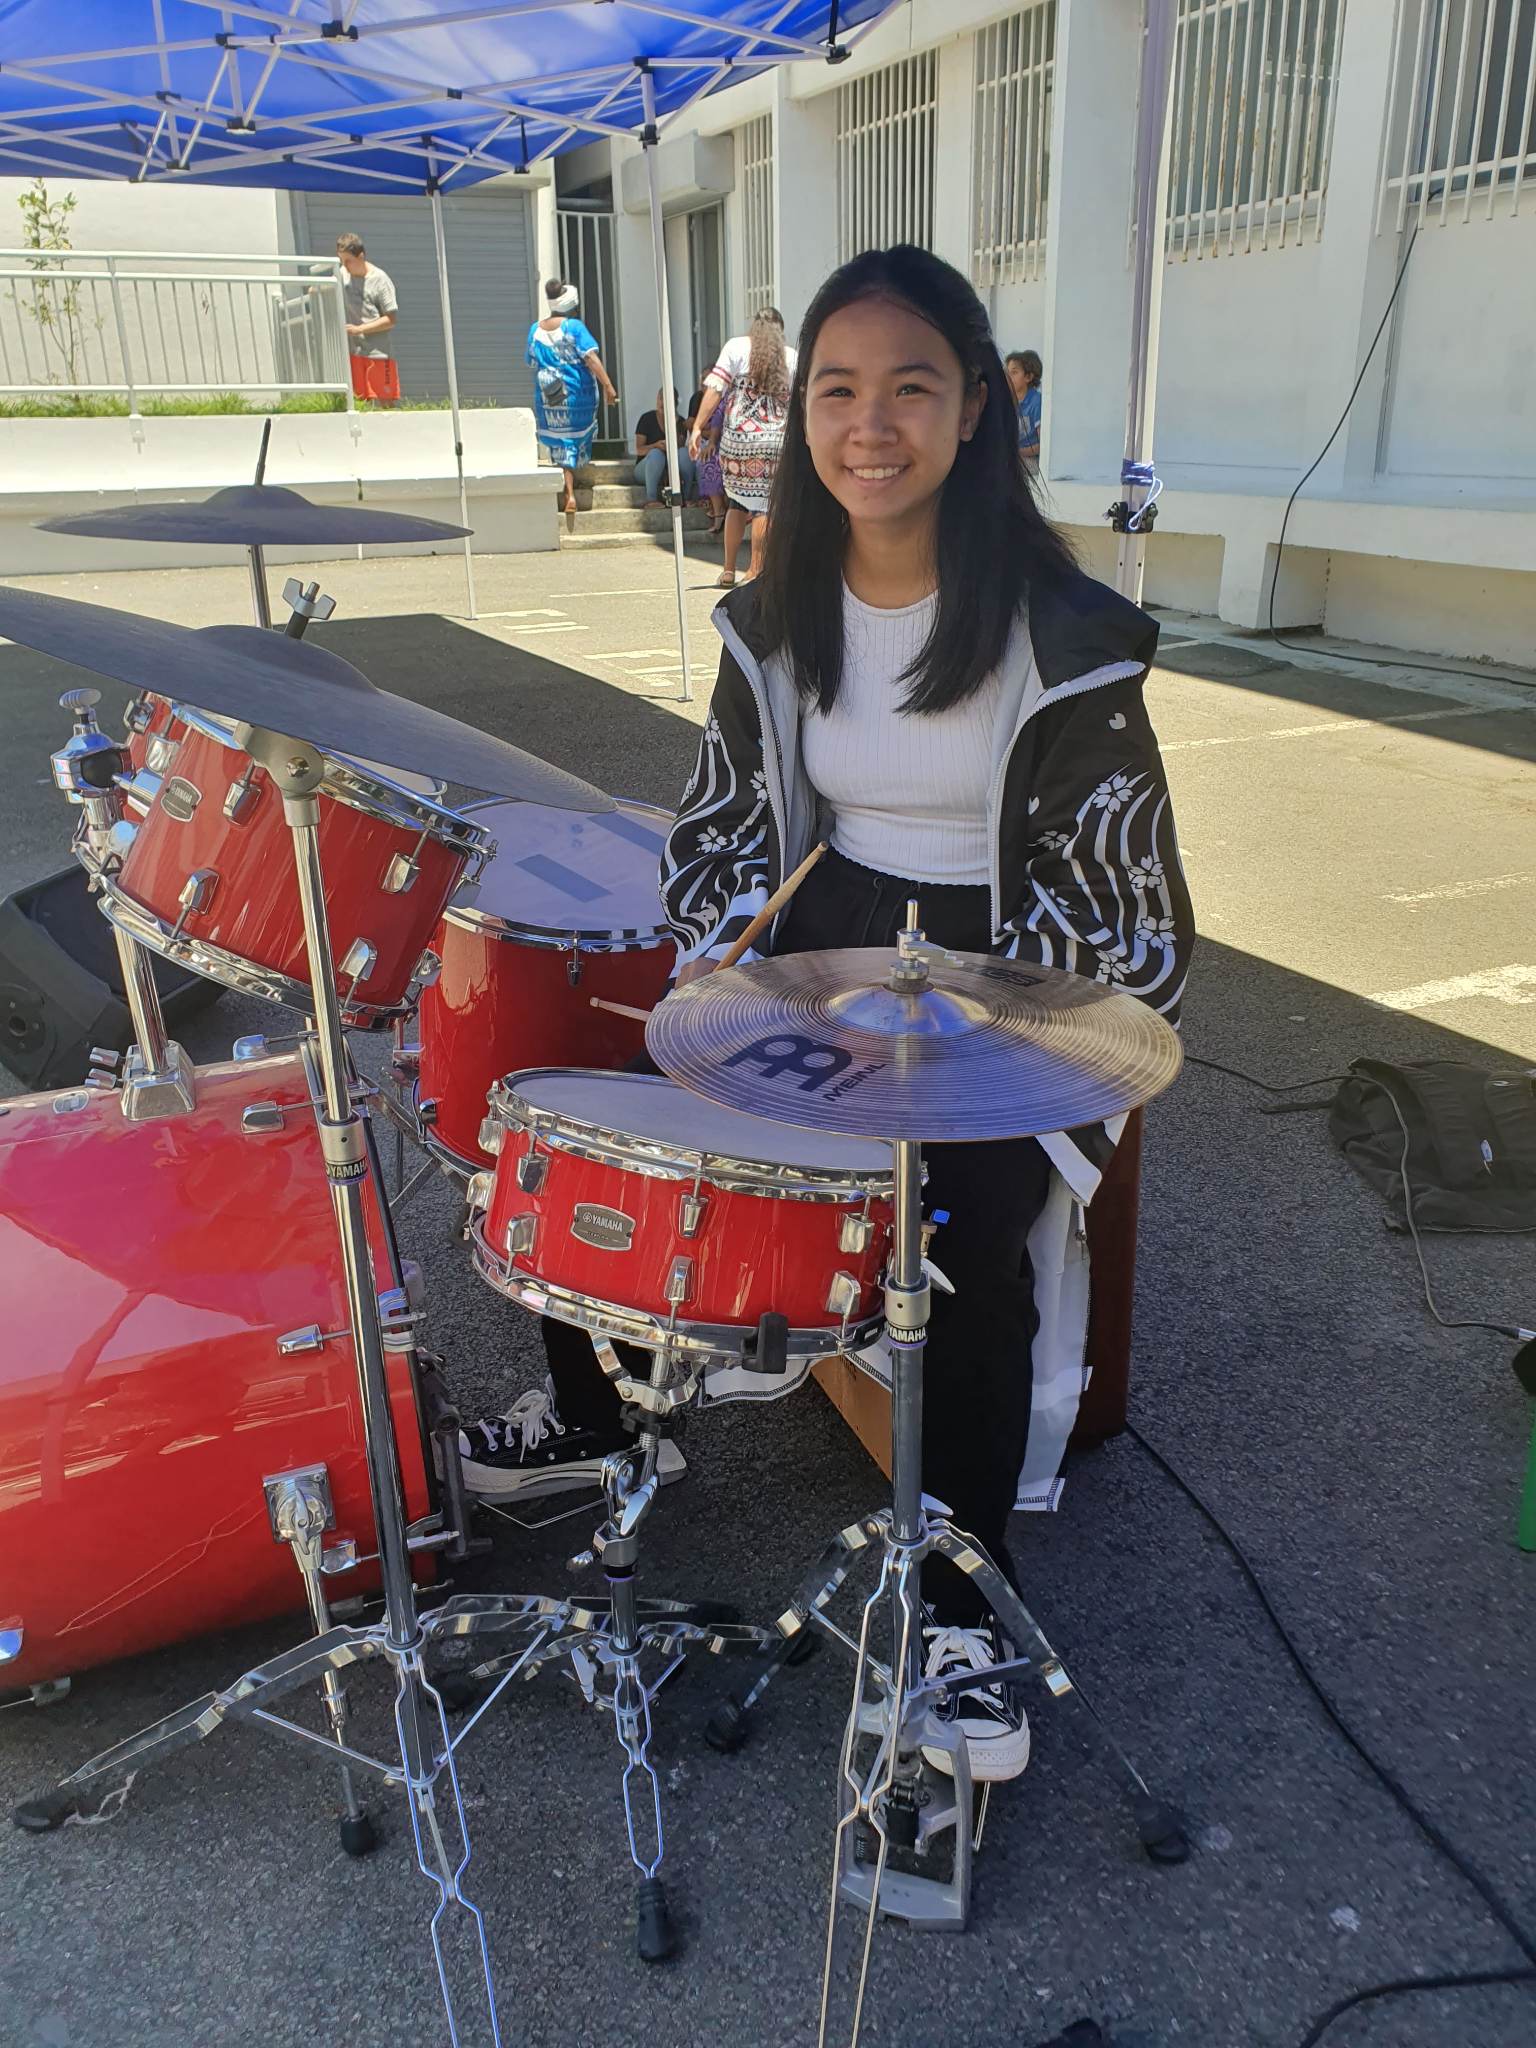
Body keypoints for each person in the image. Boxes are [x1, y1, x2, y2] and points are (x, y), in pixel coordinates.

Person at [460, 246, 1194, 1788]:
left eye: (911, 388)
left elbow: (1125, 906)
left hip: (1006, 956)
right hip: (826, 928)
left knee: (957, 1240)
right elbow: (721, 829)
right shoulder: (773, 614)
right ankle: (604, 1418)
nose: (872, 426)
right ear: (802, 421)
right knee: (606, 1117)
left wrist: (975, 1020)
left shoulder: (1071, 636)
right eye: (838, 392)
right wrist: (735, 951)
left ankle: (961, 1608)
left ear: (976, 408)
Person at [689, 307, 796, 588]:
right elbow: (804, 400)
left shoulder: (735, 347)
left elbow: (715, 389)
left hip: (738, 442)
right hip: (775, 442)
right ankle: (755, 569)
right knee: (765, 505)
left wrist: (698, 426)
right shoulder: (791, 357)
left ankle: (727, 570)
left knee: (737, 501)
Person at [526, 278, 618, 515]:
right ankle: (571, 493)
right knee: (573, 440)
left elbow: (531, 361)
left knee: (560, 441)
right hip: (576, 393)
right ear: (570, 306)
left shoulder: (535, 330)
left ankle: (569, 491)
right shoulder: (574, 327)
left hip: (548, 393)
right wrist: (608, 386)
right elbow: (591, 358)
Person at [336, 234, 399, 405]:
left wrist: (360, 329)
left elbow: (391, 319)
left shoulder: (380, 280)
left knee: (386, 403)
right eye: (341, 260)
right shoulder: (342, 274)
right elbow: (327, 287)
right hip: (355, 352)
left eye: (348, 261)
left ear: (361, 256)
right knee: (359, 403)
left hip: (378, 353)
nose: (344, 265)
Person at [633, 387, 696, 507]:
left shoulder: (680, 422)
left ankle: (686, 497)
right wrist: (656, 446)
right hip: (646, 468)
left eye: (668, 399)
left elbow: (679, 452)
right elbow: (639, 450)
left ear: (675, 403)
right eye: (661, 398)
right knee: (656, 454)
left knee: (684, 452)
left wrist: (675, 423)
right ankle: (651, 499)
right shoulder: (647, 418)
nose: (663, 402)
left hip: (669, 470)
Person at [688, 387, 727, 534]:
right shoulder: (717, 401)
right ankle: (719, 510)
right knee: (708, 459)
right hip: (723, 442)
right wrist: (711, 442)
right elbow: (716, 422)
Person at [1006, 349, 1042, 466]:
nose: (1008, 377)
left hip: (1031, 459)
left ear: (1028, 377)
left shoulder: (1036, 402)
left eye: (1014, 372)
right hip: (1014, 457)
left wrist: (1017, 452)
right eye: (1007, 373)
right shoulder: (1007, 401)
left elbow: (1043, 445)